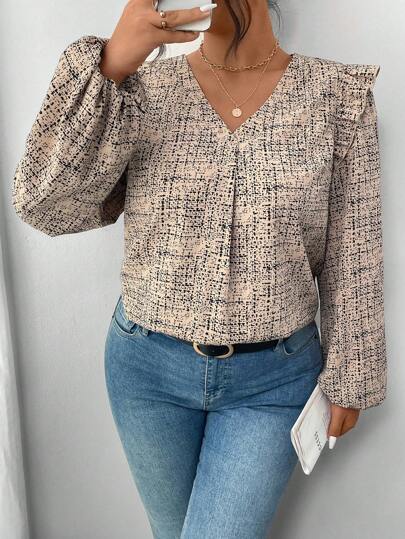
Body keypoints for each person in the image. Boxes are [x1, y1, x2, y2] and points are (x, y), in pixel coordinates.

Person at [12, 0, 387, 537]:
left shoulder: (337, 97)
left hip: (275, 379)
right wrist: (109, 69)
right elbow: (46, 205)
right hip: (146, 369)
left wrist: (353, 375)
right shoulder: (140, 92)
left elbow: (354, 248)